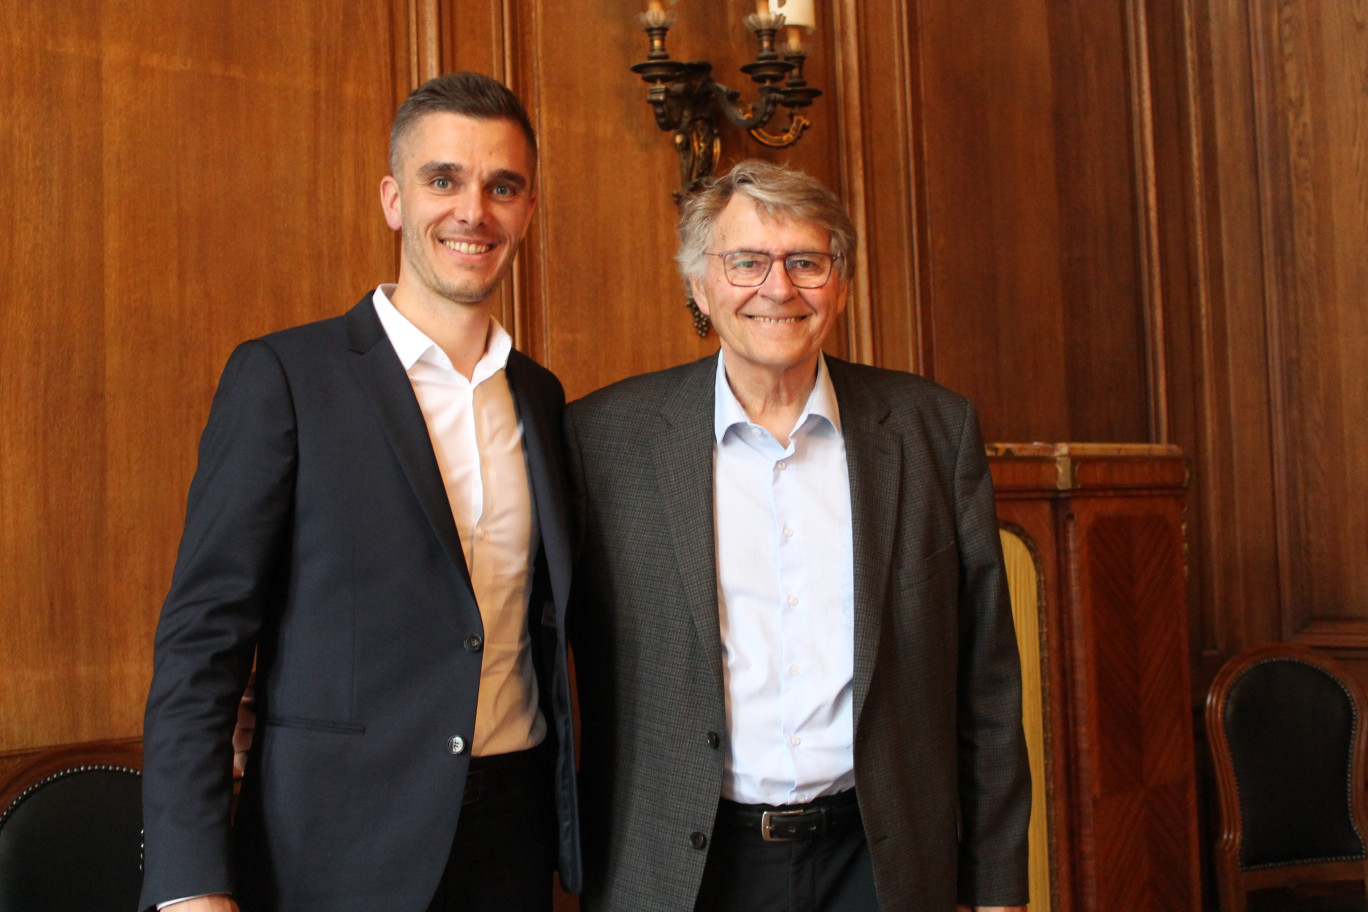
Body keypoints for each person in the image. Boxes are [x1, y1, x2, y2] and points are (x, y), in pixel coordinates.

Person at [138, 71, 579, 912]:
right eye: (442, 179)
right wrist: (189, 883)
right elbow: (202, 645)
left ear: (526, 210)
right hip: (334, 851)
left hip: (514, 846)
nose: (472, 211)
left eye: (503, 187)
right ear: (393, 199)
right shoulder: (283, 378)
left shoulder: (542, 398)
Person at [564, 159, 1030, 912]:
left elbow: (988, 686)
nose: (777, 288)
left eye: (805, 262)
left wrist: (1000, 888)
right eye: (746, 262)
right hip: (684, 871)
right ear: (699, 285)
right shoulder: (604, 441)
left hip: (880, 866)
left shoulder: (931, 431)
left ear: (839, 283)